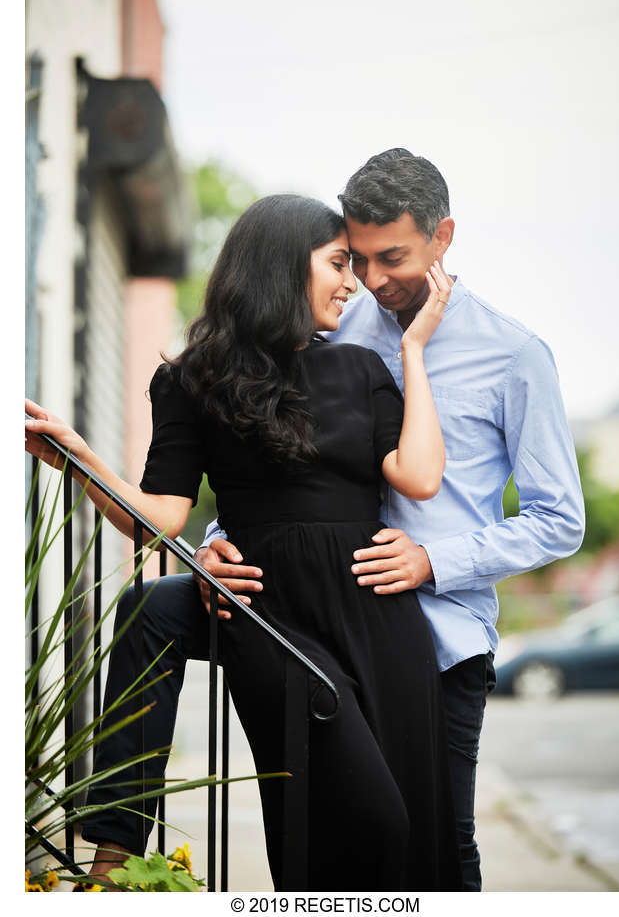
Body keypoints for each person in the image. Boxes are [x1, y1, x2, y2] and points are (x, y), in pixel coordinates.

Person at [25, 194, 463, 891]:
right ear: (284, 266)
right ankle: (112, 857)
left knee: (399, 834)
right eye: (338, 263)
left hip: (374, 620)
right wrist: (81, 460)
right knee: (151, 610)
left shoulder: (361, 370)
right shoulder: (190, 380)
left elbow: (420, 477)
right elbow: (157, 519)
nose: (351, 282)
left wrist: (413, 349)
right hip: (268, 619)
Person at [198, 150, 586, 891]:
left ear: (443, 238)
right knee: (325, 846)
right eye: (360, 257)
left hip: (441, 643)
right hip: (322, 633)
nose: (373, 280)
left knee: (440, 847)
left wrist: (435, 561)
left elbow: (558, 519)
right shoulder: (330, 332)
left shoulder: (514, 356)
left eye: (395, 257)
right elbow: (266, 467)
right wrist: (217, 547)